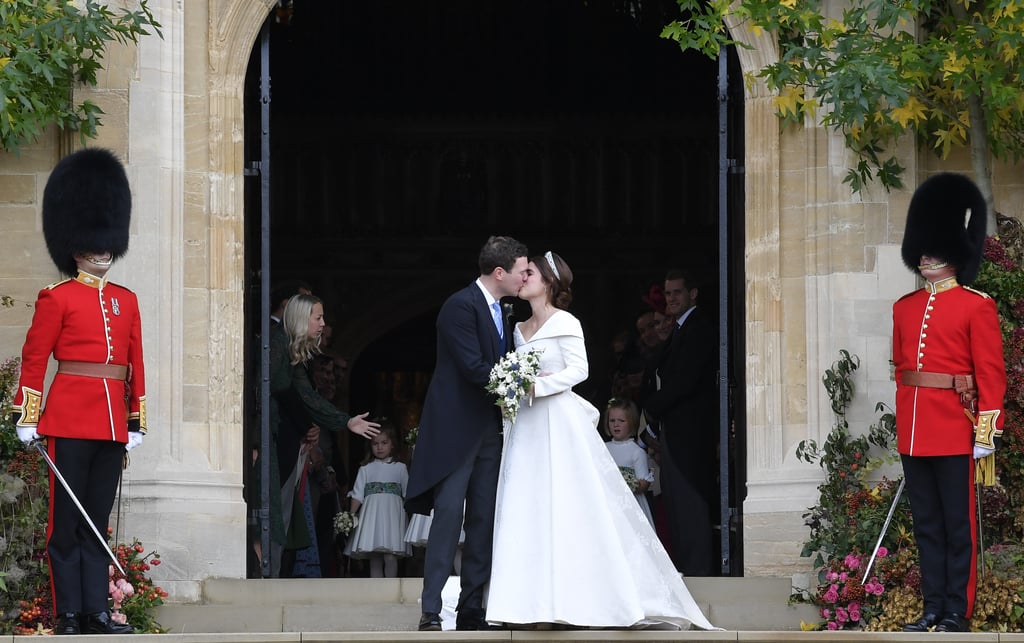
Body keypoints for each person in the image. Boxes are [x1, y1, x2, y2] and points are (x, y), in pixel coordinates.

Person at [485, 251, 715, 630]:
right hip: (525, 427)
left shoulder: (567, 322)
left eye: (530, 273)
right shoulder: (518, 328)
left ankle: (575, 599)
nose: (522, 278)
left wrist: (536, 384)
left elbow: (579, 370)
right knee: (528, 505)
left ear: (549, 283)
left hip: (557, 424)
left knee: (566, 507)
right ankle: (527, 604)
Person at [10, 148, 143, 635]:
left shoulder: (126, 302)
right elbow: (34, 357)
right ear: (76, 244)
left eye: (106, 242)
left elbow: (135, 367)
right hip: (67, 417)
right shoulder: (56, 297)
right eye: (93, 243)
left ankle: (97, 611)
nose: (102, 250)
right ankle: (68, 613)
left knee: (96, 521)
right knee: (64, 525)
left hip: (111, 423)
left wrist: (136, 421)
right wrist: (29, 413)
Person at [894, 173, 1006, 634]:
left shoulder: (976, 306)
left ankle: (957, 611)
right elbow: (901, 371)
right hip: (916, 432)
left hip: (956, 431)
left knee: (959, 528)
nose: (924, 255)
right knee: (927, 527)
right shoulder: (904, 307)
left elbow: (991, 377)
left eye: (932, 247)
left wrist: (984, 435)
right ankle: (932, 608)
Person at [405, 235, 529, 632]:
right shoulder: (459, 306)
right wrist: (519, 382)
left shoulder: (502, 309)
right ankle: (430, 610)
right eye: (521, 271)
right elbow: (473, 366)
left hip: (490, 430)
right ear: (499, 272)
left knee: (483, 519)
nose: (525, 277)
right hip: (457, 431)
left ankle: (472, 607)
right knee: (448, 519)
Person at [268, 293, 380, 577]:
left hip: (289, 439)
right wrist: (310, 426)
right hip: (273, 440)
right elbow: (282, 391)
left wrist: (345, 421)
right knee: (275, 510)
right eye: (317, 317)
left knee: (284, 510)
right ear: (300, 318)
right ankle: (266, 575)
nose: (322, 324)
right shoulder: (276, 343)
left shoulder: (292, 351)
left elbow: (305, 395)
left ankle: (274, 573)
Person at [641, 268, 718, 576]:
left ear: (692, 294)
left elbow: (684, 381)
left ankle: (700, 574)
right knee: (676, 506)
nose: (671, 299)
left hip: (690, 432)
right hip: (673, 430)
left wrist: (651, 411)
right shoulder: (678, 329)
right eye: (668, 293)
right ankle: (687, 571)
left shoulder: (699, 327)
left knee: (691, 504)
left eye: (677, 293)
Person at [343, 424, 411, 577]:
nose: (380, 447)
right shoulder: (365, 469)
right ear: (370, 446)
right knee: (374, 556)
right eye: (375, 443)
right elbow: (357, 495)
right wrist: (350, 516)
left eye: (384, 443)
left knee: (390, 555)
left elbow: (408, 494)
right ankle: (378, 592)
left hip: (393, 517)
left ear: (392, 444)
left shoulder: (400, 468)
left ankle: (390, 590)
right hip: (371, 517)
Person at [604, 397, 655, 526]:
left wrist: (625, 481)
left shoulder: (636, 452)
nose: (616, 424)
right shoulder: (602, 448)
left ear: (631, 423)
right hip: (608, 503)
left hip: (630, 506)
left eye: (621, 421)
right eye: (612, 420)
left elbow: (643, 485)